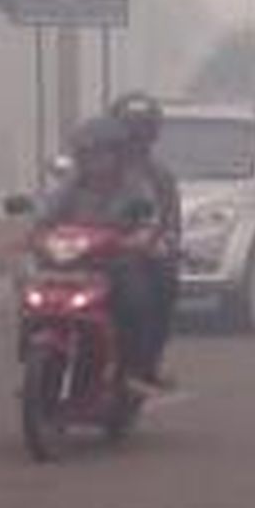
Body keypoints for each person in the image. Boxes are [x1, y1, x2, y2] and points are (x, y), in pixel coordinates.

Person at [36, 115, 168, 395]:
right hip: (73, 265)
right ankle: (36, 352)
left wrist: (140, 238)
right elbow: (48, 214)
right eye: (87, 154)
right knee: (34, 296)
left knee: (136, 301)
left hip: (115, 265)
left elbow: (150, 218)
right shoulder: (72, 185)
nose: (95, 161)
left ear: (118, 154)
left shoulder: (135, 186)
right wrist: (37, 231)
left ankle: (134, 368)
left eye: (101, 153)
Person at [108, 93, 182, 391]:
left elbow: (170, 222)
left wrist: (163, 241)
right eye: (128, 127)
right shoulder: (92, 166)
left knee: (157, 290)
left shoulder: (160, 176)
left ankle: (145, 363)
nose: (134, 135)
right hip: (93, 251)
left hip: (135, 255)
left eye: (141, 128)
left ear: (152, 133)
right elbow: (61, 201)